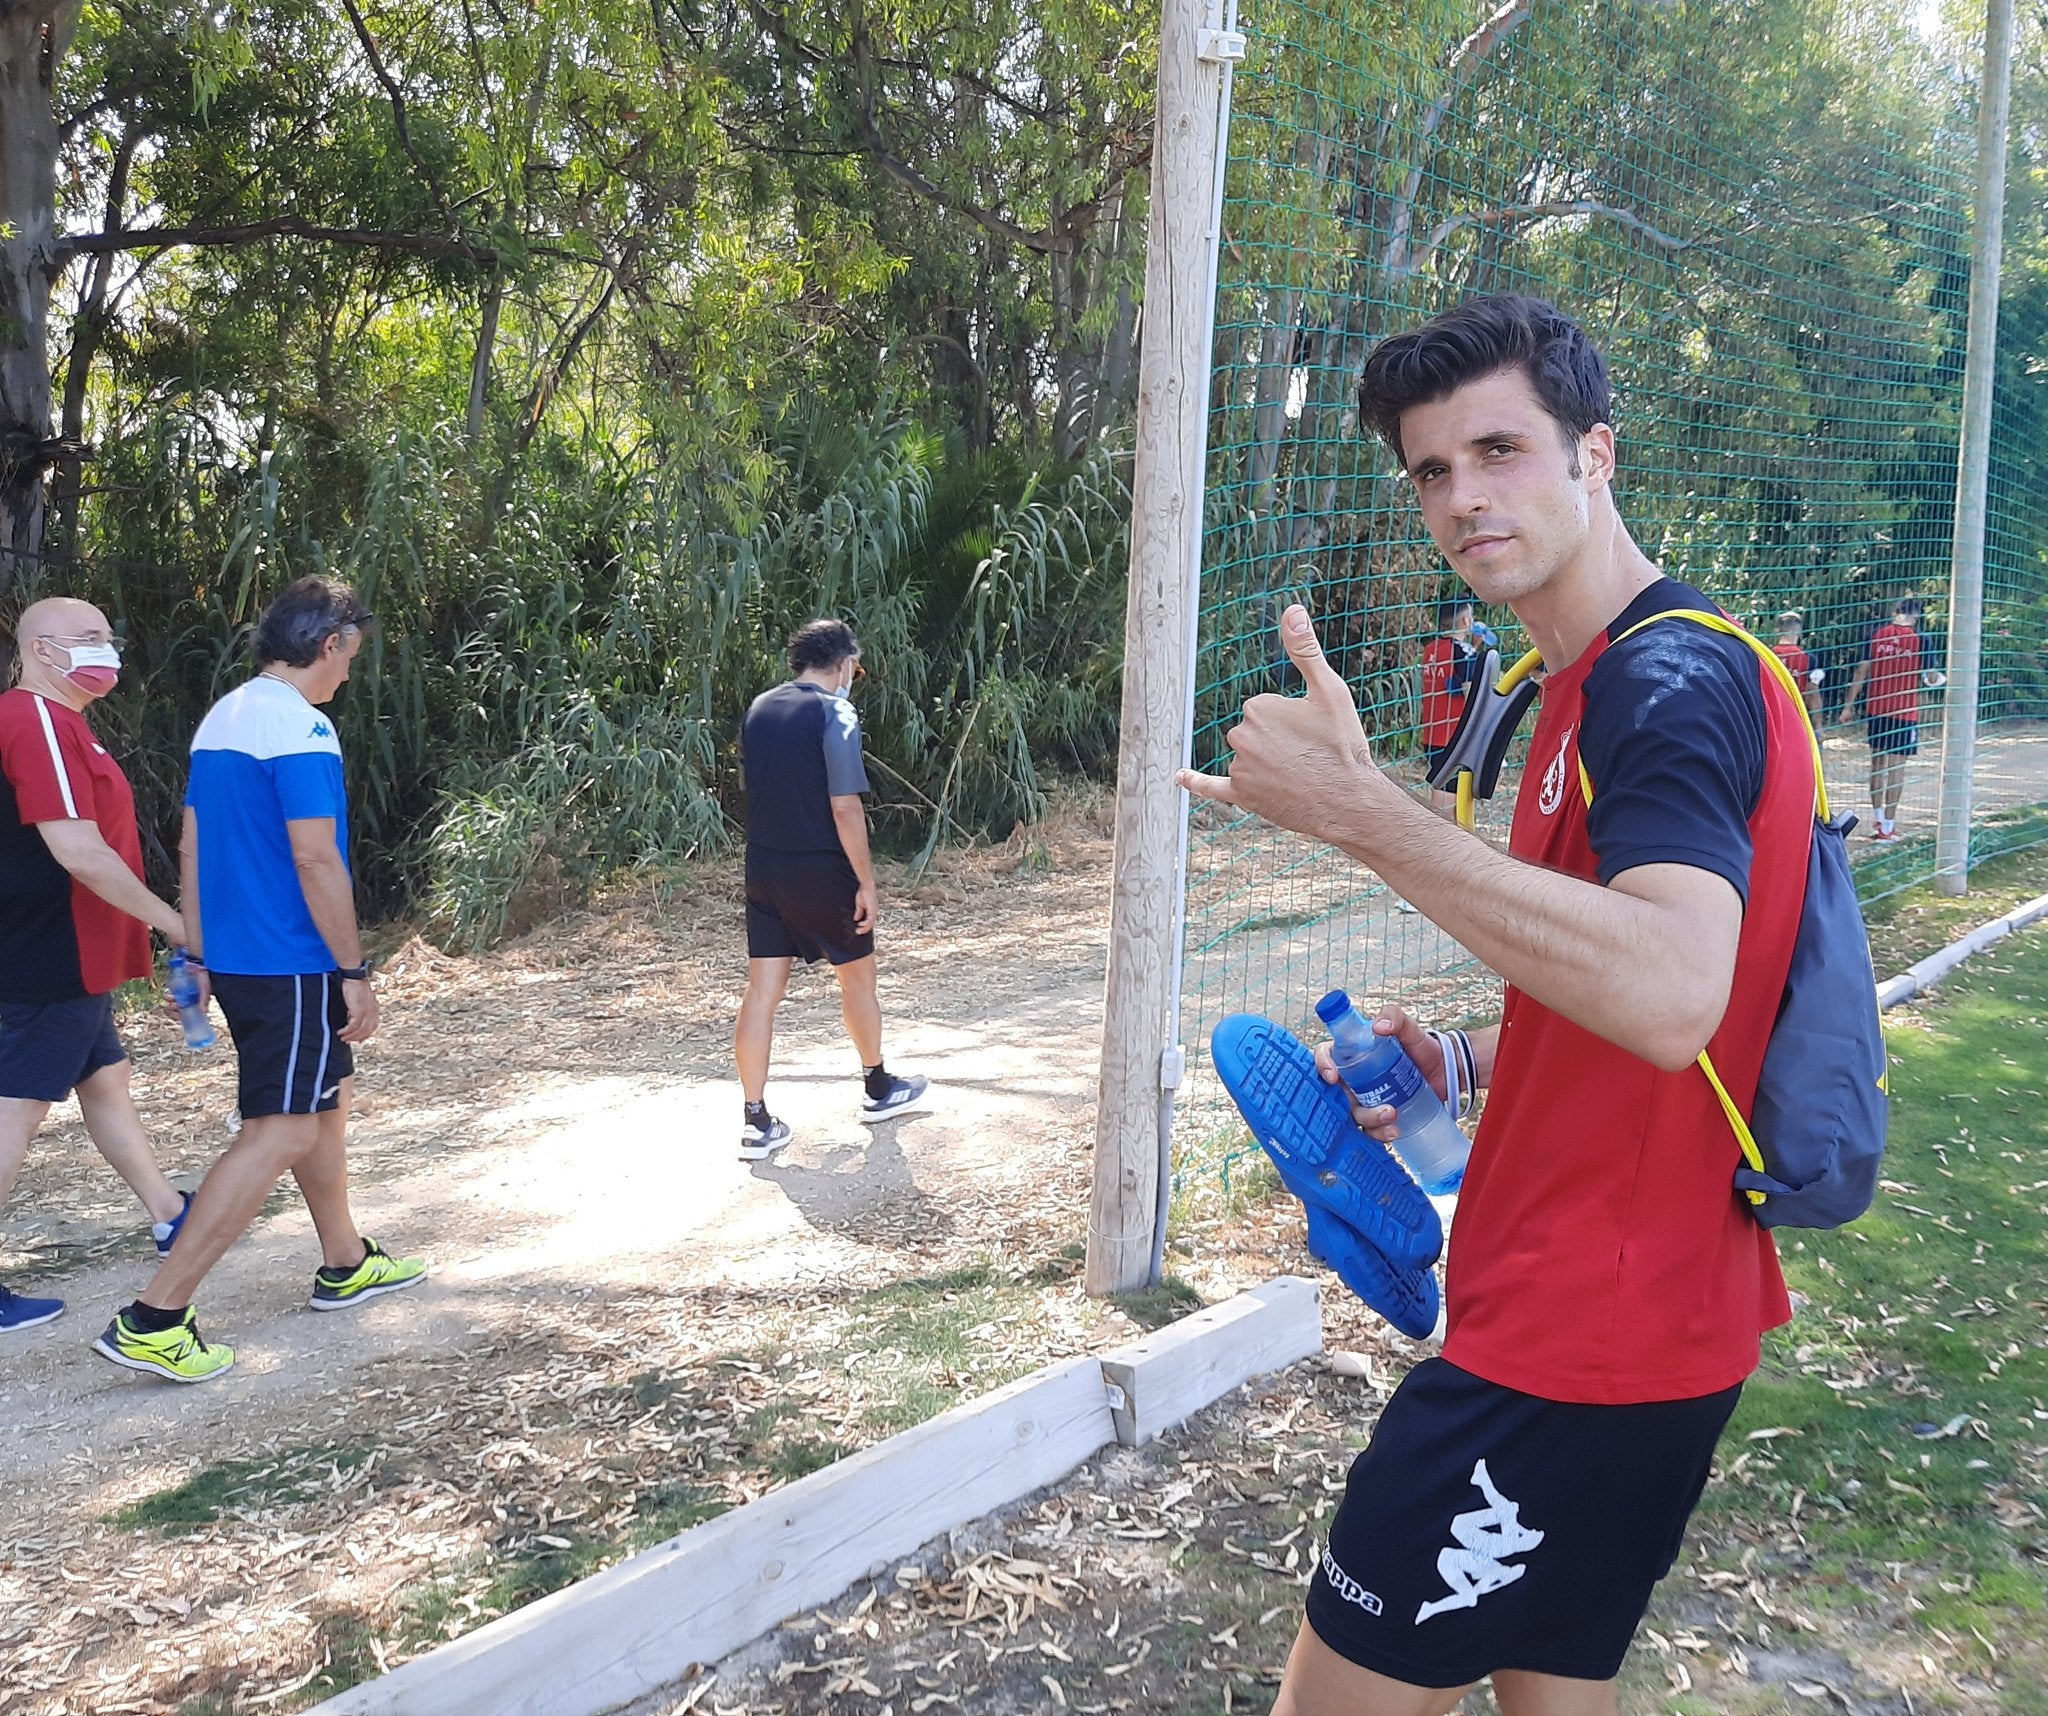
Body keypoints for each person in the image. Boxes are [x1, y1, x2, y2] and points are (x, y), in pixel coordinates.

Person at [1182, 295, 1812, 1716]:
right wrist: (1464, 1063)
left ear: (1597, 453)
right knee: (1551, 1695)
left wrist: (1365, 818)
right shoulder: (1581, 686)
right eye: (1431, 471)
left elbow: (1669, 996)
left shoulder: (1663, 677)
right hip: (1640, 1320)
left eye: (1500, 450)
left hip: (1573, 1342)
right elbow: (1624, 984)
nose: (1464, 497)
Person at [93, 578, 424, 1384]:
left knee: (324, 1103)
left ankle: (344, 1259)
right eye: (353, 653)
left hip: (242, 958)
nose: (352, 670)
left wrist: (198, 950)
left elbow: (193, 845)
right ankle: (156, 1317)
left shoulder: (227, 716)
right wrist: (354, 970)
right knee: (281, 1128)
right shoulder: (301, 727)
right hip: (293, 961)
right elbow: (316, 859)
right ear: (331, 643)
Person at [0, 599, 194, 1332]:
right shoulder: (35, 720)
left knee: (105, 1079)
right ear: (43, 651)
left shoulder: (64, 722)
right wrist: (176, 926)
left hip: (70, 949)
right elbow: (78, 848)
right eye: (89, 639)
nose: (107, 650)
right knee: (14, 1113)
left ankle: (170, 1212)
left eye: (108, 637)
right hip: (52, 951)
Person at [734, 620, 929, 1159]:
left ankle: (755, 1119)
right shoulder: (836, 711)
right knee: (858, 981)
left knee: (762, 993)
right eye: (855, 670)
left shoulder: (759, 707)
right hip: (822, 867)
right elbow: (844, 805)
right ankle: (878, 1085)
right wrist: (866, 880)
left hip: (765, 867)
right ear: (844, 664)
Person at [1838, 594, 1926, 842]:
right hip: (1904, 712)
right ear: (1916, 615)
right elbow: (1929, 676)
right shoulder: (1920, 640)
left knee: (1878, 763)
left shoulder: (1877, 635)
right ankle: (1888, 826)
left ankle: (1878, 818)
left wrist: (1848, 705)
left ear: (1894, 611)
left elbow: (1861, 670)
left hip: (1877, 709)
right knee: (1897, 767)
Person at [1418, 599, 1479, 817]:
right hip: (1454, 738)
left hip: (1432, 734)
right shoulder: (1465, 653)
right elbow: (1473, 699)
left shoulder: (1431, 649)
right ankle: (1431, 845)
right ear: (1465, 620)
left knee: (1444, 793)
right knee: (1445, 802)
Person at [1770, 609, 1824, 727]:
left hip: (1772, 715)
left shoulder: (1767, 655)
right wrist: (1818, 725)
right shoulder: (1809, 658)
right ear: (1799, 633)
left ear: (1777, 631)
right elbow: (1813, 691)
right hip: (1798, 715)